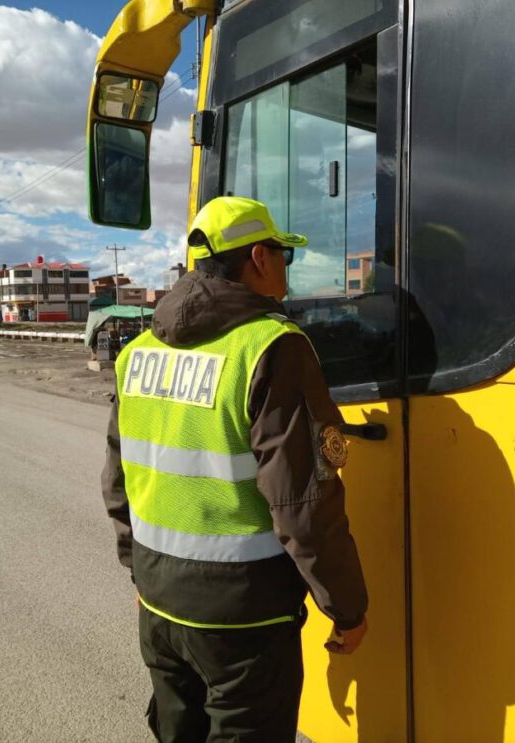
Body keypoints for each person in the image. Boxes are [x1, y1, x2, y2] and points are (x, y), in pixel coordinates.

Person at [102, 196, 368, 742]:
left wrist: (139, 571)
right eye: (283, 257)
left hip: (158, 604)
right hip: (243, 619)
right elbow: (302, 504)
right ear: (259, 258)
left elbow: (118, 479)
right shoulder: (272, 347)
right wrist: (345, 605)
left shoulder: (139, 352)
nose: (286, 270)